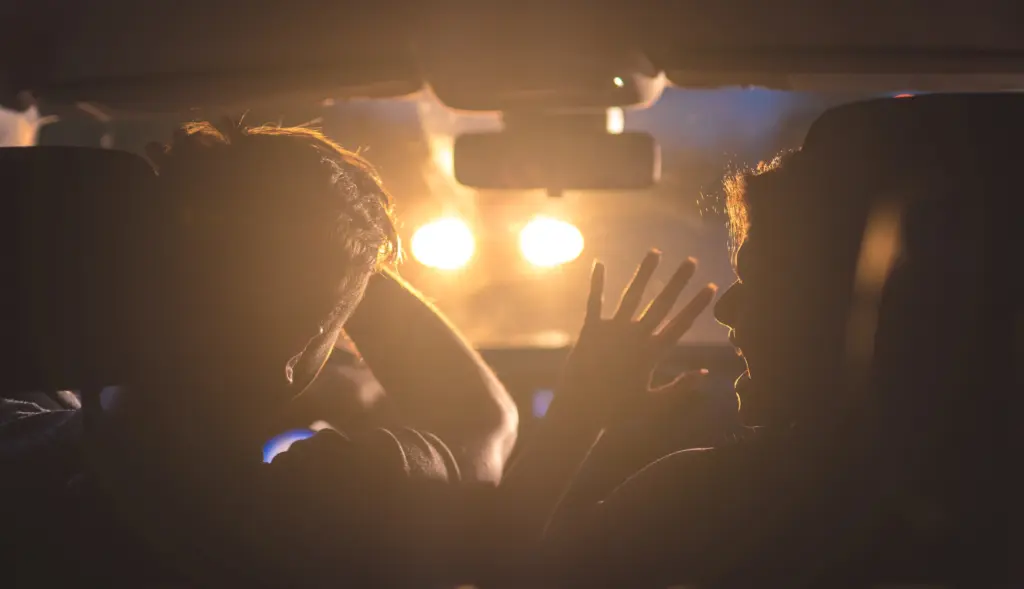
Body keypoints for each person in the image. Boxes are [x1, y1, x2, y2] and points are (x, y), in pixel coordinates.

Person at [66, 119, 718, 587]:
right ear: (288, 361)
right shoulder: (318, 501)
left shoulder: (24, 434)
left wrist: (313, 234)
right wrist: (343, 246)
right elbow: (483, 433)